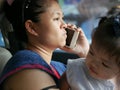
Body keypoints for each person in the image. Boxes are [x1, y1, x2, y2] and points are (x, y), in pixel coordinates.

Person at [0, 0, 89, 90]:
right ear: (32, 28)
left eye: (62, 18)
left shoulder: (57, 66)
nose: (64, 25)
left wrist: (84, 52)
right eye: (56, 18)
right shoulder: (26, 67)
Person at [60, 13, 120, 90]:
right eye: (91, 52)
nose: (93, 63)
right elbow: (63, 82)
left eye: (104, 64)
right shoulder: (76, 69)